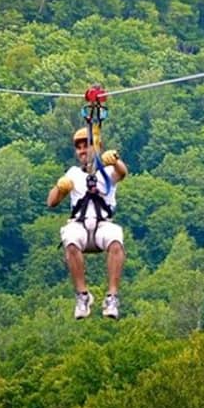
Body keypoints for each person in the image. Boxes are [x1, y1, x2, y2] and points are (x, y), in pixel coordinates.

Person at [47, 128, 128, 320]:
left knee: (116, 239)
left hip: (102, 226)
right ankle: (82, 295)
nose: (83, 151)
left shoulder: (108, 171)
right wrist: (60, 189)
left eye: (87, 146)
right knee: (70, 238)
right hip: (80, 225)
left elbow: (122, 173)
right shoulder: (73, 173)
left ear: (96, 146)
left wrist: (115, 161)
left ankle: (112, 297)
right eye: (79, 148)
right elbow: (51, 202)